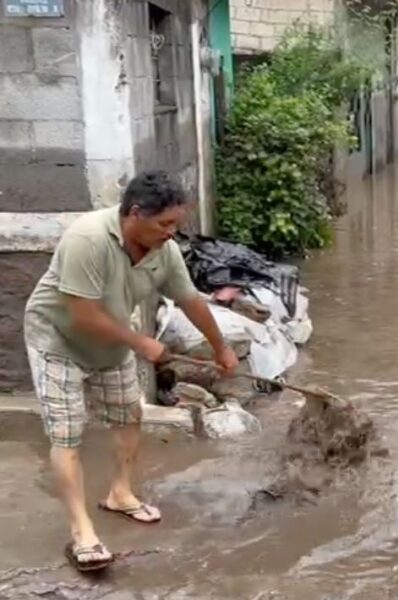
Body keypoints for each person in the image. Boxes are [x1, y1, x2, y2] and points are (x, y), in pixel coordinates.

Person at [23, 170, 239, 571]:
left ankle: (120, 494)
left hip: (114, 341)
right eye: (165, 223)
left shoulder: (164, 250)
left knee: (128, 414)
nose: (172, 232)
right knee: (67, 431)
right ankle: (81, 531)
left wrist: (221, 348)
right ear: (134, 213)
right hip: (59, 341)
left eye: (177, 223)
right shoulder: (87, 239)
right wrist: (141, 343)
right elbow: (81, 314)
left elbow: (190, 299)